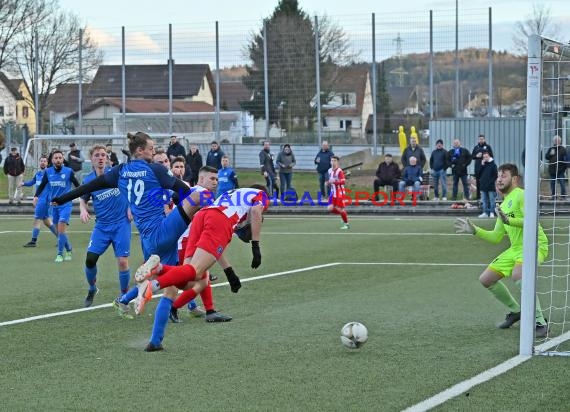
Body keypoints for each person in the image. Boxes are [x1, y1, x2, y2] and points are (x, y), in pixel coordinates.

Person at [50, 133, 222, 318]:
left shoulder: (120, 171)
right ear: (140, 151)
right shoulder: (155, 170)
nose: (154, 151)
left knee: (183, 282)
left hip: (147, 240)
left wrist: (62, 199)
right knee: (200, 196)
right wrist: (178, 201)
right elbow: (186, 191)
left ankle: (138, 295)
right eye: (151, 148)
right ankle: (223, 214)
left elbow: (88, 187)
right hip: (162, 231)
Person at [134, 185, 269, 351]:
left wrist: (229, 271)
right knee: (196, 273)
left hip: (201, 217)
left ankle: (155, 340)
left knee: (189, 281)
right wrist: (256, 246)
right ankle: (152, 285)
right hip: (216, 221)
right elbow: (256, 212)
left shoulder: (232, 195)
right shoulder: (261, 195)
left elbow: (216, 241)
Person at [454, 163, 549, 337]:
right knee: (486, 279)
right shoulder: (504, 205)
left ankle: (540, 322)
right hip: (516, 249)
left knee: (518, 274)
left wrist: (509, 221)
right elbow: (496, 237)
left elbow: (532, 221)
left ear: (515, 179)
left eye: (503, 175)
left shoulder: (521, 195)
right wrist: (475, 230)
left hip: (535, 245)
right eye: (498, 176)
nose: (499, 179)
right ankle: (516, 311)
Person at [79, 145, 132, 308]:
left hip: (121, 224)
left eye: (103, 155)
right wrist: (83, 208)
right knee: (90, 260)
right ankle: (92, 288)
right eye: (97, 155)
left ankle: (124, 297)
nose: (100, 158)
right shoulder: (88, 180)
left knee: (123, 262)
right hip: (102, 226)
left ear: (107, 158)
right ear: (91, 159)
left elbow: (130, 188)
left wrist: (131, 206)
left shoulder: (116, 173)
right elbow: (83, 197)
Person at [36, 150, 80, 262]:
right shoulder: (48, 172)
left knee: (61, 228)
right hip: (54, 206)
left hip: (66, 205)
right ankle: (69, 248)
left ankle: (60, 254)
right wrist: (36, 196)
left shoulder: (69, 171)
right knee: (59, 231)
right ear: (52, 160)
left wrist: (82, 197)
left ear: (63, 159)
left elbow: (78, 186)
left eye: (60, 158)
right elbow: (42, 185)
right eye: (56, 158)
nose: (58, 160)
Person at [20, 155, 58, 247]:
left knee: (37, 219)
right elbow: (32, 182)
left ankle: (33, 241)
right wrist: (23, 183)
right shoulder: (38, 174)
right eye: (41, 161)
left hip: (44, 200)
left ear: (47, 163)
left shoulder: (49, 174)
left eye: (45, 161)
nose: (43, 162)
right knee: (47, 221)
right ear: (39, 162)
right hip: (40, 199)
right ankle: (61, 237)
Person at [327, 156, 349, 230]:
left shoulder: (339, 171)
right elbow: (331, 180)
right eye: (332, 160)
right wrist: (328, 183)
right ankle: (343, 216)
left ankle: (346, 224)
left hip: (340, 192)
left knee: (340, 209)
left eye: (334, 160)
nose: (333, 162)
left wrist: (335, 182)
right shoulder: (329, 170)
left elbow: (343, 181)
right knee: (330, 208)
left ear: (337, 162)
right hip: (333, 192)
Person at [471, 134, 493, 200]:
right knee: (478, 182)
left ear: (484, 139)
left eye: (482, 139)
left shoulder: (488, 147)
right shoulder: (476, 147)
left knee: (485, 182)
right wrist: (476, 156)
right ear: (478, 139)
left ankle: (486, 197)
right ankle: (478, 196)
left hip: (486, 168)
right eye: (480, 139)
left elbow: (491, 156)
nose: (481, 140)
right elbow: (472, 156)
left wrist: (484, 156)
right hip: (478, 168)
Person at [477, 150, 498, 218]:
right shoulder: (483, 164)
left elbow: (495, 175)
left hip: (490, 186)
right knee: (484, 200)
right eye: (484, 157)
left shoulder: (493, 165)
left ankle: (492, 212)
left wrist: (491, 182)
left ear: (489, 156)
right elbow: (478, 174)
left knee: (492, 200)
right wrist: (482, 165)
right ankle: (485, 212)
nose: (485, 158)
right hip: (483, 185)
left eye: (486, 157)